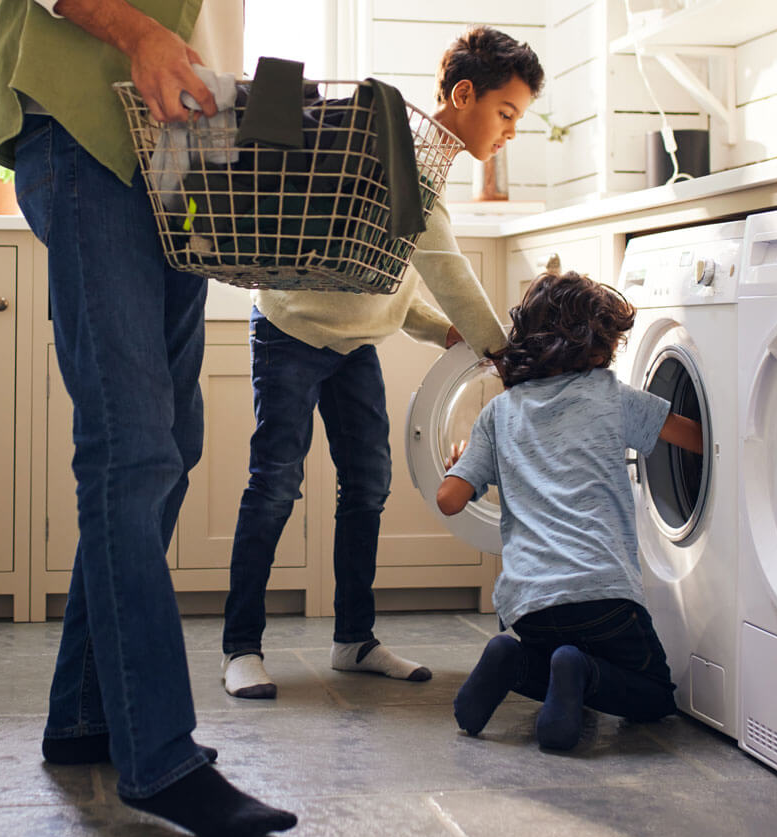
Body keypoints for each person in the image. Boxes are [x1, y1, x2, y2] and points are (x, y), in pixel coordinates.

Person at [0, 0, 296, 837]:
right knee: (132, 450)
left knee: (169, 445)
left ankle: (84, 717)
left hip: (175, 155)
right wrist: (140, 34)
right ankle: (160, 758)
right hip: (85, 136)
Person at [219, 26, 546, 700]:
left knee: (367, 484)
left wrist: (438, 331)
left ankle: (354, 640)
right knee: (275, 483)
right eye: (506, 113)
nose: (510, 131)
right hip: (292, 329)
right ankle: (240, 647)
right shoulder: (405, 152)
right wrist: (500, 351)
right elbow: (444, 266)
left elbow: (388, 274)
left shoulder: (427, 163)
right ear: (464, 95)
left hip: (354, 343)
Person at [436, 271, 706, 751]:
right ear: (597, 347)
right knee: (654, 697)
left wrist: (463, 466)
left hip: (529, 604)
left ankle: (512, 661)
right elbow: (698, 440)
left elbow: (449, 500)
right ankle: (578, 671)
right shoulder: (610, 396)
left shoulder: (498, 413)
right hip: (604, 596)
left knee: (550, 653)